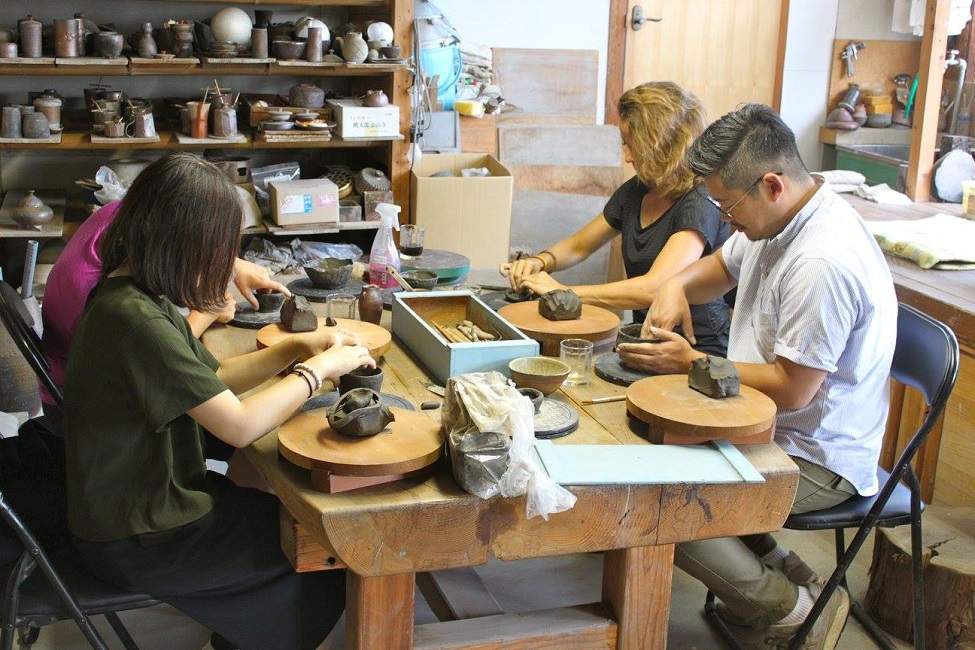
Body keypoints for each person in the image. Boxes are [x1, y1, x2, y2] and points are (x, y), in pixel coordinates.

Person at [64, 154, 372, 650]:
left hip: (139, 504)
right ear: (185, 245)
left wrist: (295, 349)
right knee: (322, 551)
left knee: (294, 520)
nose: (224, 262)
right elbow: (238, 424)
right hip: (139, 534)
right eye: (220, 248)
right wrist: (317, 373)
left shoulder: (137, 291)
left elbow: (213, 382)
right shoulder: (134, 320)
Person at [621, 104, 897, 649]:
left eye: (727, 204)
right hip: (756, 419)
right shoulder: (781, 213)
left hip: (816, 455)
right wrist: (674, 287)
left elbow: (794, 388)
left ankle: (792, 610)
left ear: (771, 184)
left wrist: (691, 363)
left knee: (660, 499)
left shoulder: (822, 259)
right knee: (648, 442)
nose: (723, 218)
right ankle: (784, 568)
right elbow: (721, 267)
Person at [500, 81, 732, 356]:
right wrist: (539, 262)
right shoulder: (639, 189)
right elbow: (578, 245)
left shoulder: (700, 201)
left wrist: (565, 293)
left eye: (632, 145)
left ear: (663, 146)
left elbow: (655, 287)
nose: (627, 156)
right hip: (646, 340)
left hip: (697, 351)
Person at [41, 196, 289, 400]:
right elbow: (160, 352)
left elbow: (177, 243)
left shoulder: (123, 216)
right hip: (93, 398)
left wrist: (232, 265)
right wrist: (206, 311)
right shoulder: (114, 303)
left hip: (82, 371)